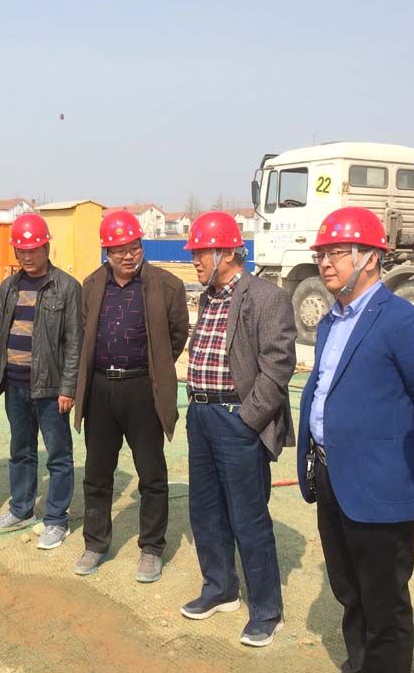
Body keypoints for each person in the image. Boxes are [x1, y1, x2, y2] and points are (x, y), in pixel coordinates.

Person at [296, 206, 414, 673]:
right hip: (332, 476)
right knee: (349, 589)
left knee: (384, 602)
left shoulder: (403, 322)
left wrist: (400, 460)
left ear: (371, 258)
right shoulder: (330, 322)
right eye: (321, 254)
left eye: (337, 252)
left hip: (380, 487)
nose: (325, 263)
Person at [179, 211, 297, 648]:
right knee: (205, 509)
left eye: (200, 252)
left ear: (227, 252)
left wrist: (249, 419)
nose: (194, 259)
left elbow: (278, 364)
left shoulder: (266, 297)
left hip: (237, 419)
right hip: (201, 416)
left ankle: (266, 611)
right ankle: (220, 588)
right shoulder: (208, 297)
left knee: (248, 517)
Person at [71, 211, 189, 581]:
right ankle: (95, 543)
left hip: (142, 388)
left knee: (151, 472)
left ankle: (151, 547)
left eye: (134, 247)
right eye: (119, 249)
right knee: (97, 472)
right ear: (106, 252)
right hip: (100, 389)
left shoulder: (166, 286)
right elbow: (84, 333)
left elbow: (176, 335)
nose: (128, 255)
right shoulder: (91, 285)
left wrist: (154, 365)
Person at [0, 213, 83, 549]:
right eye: (21, 251)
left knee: (58, 455)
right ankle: (21, 509)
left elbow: (74, 343)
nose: (27, 256)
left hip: (51, 388)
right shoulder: (9, 287)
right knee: (21, 450)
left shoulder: (67, 287)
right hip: (14, 384)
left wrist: (68, 388)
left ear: (46, 248)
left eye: (33, 250)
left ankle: (56, 520)